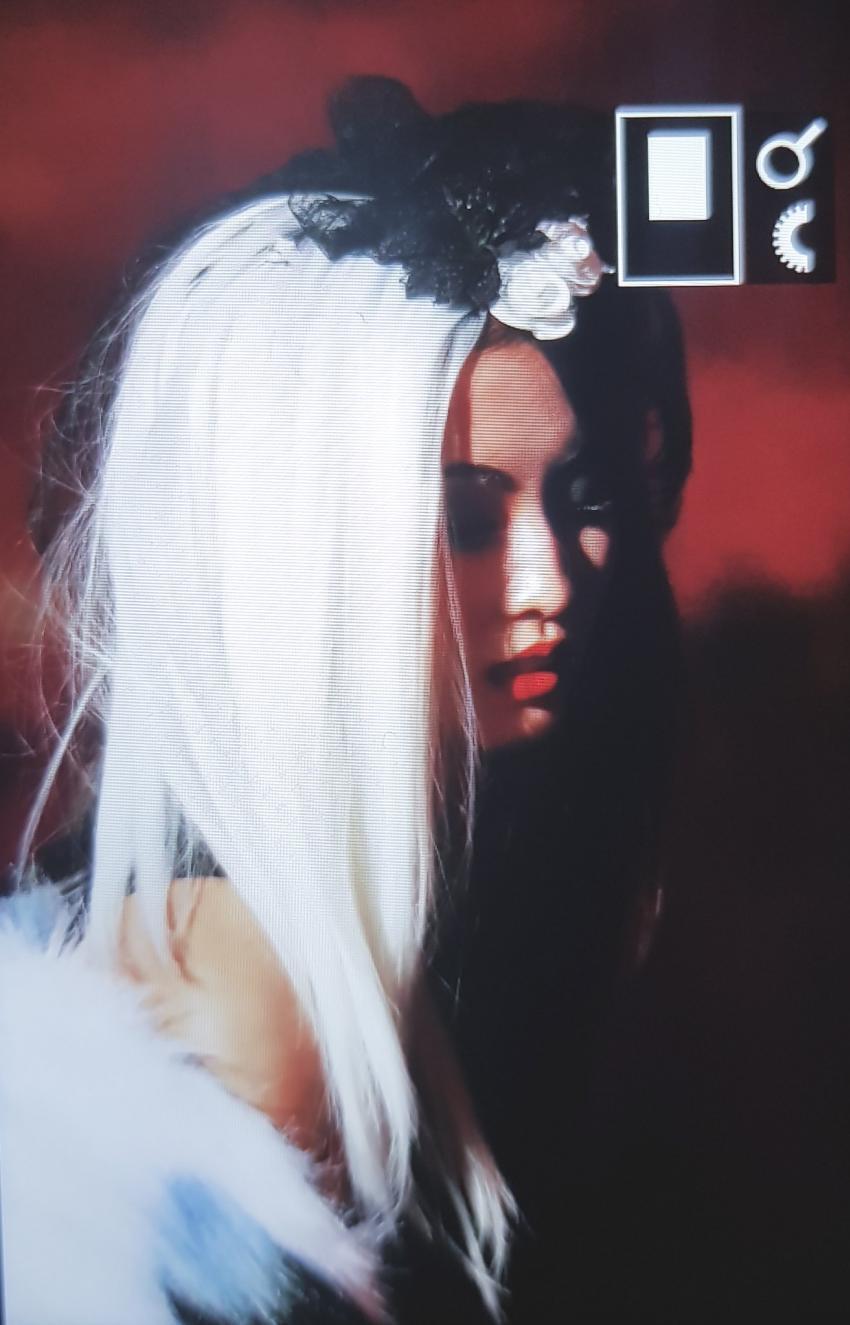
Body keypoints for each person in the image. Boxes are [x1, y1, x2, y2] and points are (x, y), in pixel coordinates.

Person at [0, 78, 691, 1325]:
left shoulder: (364, 910)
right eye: (465, 519)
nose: (550, 582)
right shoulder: (238, 990)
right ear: (300, 544)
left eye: (582, 497)